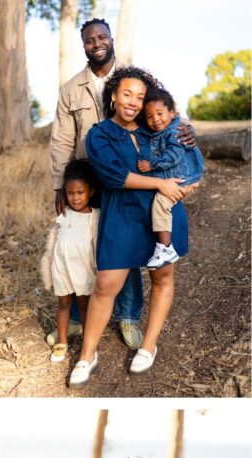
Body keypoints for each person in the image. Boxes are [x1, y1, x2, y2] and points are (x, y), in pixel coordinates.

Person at [69, 67, 192, 387]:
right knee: (106, 284)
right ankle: (87, 355)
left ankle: (148, 345)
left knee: (162, 277)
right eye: (127, 94)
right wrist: (159, 183)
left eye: (140, 96)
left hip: (162, 214)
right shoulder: (99, 134)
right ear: (112, 96)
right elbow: (113, 177)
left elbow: (182, 144)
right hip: (122, 214)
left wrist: (190, 134)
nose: (134, 102)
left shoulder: (155, 126)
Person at [49, 18, 144, 351]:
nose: (97, 43)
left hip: (126, 180)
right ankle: (76, 317)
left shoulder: (133, 78)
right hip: (88, 180)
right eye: (90, 40)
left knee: (123, 248)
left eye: (102, 37)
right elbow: (62, 139)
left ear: (111, 39)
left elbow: (161, 111)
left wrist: (183, 131)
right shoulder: (72, 88)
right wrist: (60, 186)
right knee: (78, 245)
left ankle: (129, 317)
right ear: (84, 45)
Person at [136, 85, 204, 269]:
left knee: (161, 203)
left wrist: (152, 165)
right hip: (181, 176)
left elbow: (173, 156)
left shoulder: (174, 132)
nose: (155, 119)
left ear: (173, 113)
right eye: (149, 116)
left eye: (160, 114)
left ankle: (165, 248)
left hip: (181, 177)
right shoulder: (162, 130)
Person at [39, 160, 99, 364]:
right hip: (62, 267)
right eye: (71, 193)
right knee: (63, 303)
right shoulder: (63, 214)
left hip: (83, 269)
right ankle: (62, 342)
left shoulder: (94, 217)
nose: (75, 198)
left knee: (84, 305)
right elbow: (53, 241)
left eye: (80, 192)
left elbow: (96, 246)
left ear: (90, 192)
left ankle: (87, 344)